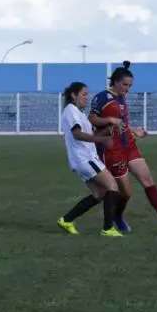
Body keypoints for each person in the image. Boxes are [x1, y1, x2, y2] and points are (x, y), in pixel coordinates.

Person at [89, 61, 157, 232]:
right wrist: (110, 120)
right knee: (126, 193)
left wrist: (134, 131)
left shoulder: (121, 97)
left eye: (130, 85)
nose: (127, 89)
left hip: (129, 145)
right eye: (125, 85)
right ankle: (117, 217)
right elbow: (92, 119)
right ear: (116, 82)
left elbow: (122, 123)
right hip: (113, 150)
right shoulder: (102, 97)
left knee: (147, 179)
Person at [57, 82, 124, 237]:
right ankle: (107, 229)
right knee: (112, 186)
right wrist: (102, 140)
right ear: (74, 95)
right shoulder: (71, 111)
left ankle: (66, 220)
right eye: (84, 94)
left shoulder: (79, 113)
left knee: (99, 193)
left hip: (83, 159)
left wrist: (108, 130)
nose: (87, 98)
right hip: (85, 158)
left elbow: (90, 135)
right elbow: (77, 134)